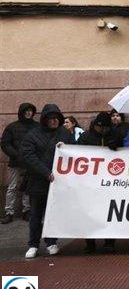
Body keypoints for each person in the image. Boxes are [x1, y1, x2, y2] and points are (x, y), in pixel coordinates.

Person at [19, 104, 73, 259]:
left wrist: (67, 147)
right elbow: (28, 156)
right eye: (51, 119)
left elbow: (74, 151)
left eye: (57, 118)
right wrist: (45, 172)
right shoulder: (33, 134)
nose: (54, 121)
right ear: (45, 120)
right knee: (36, 214)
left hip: (57, 182)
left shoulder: (64, 133)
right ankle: (33, 244)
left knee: (52, 214)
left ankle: (51, 242)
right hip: (38, 180)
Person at [76, 112, 120, 254]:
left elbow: (123, 147)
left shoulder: (114, 135)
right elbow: (75, 152)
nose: (102, 130)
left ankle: (109, 242)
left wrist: (117, 145)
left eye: (106, 128)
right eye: (100, 127)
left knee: (109, 212)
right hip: (90, 182)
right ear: (95, 125)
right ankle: (90, 243)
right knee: (89, 213)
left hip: (109, 182)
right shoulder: (85, 137)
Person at [1, 102, 36, 224]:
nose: (28, 113)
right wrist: (16, 155)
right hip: (15, 162)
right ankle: (9, 212)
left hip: (30, 162)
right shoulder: (12, 127)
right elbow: (5, 143)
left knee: (27, 187)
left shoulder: (37, 126)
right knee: (12, 187)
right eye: (26, 111)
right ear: (21, 112)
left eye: (30, 111)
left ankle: (27, 211)